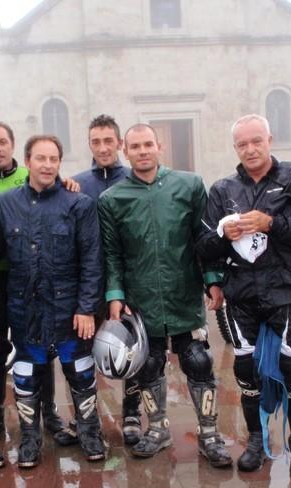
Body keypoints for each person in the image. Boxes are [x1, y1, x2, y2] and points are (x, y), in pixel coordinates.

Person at [196, 114, 291, 479]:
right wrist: (223, 232)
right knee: (245, 372)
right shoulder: (222, 190)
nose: (250, 149)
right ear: (235, 147)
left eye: (257, 141)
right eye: (242, 144)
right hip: (241, 296)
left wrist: (273, 223)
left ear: (270, 139)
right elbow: (203, 248)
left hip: (288, 293)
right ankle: (255, 438)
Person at [98, 124, 231, 467]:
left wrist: (212, 280)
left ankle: (210, 433)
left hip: (183, 289)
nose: (142, 151)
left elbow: (204, 239)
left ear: (159, 146)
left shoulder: (189, 185)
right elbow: (111, 253)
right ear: (125, 152)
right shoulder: (112, 199)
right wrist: (115, 293)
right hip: (141, 297)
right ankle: (157, 428)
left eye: (148, 144)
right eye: (135, 147)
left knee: (198, 361)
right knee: (149, 364)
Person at [0, 135, 105, 467]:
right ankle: (30, 439)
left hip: (69, 310)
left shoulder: (78, 204)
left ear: (60, 162)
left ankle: (90, 432)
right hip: (26, 311)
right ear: (27, 160)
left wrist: (86, 308)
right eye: (40, 158)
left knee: (81, 373)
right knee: (26, 376)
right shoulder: (5, 204)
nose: (47, 165)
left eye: (53, 159)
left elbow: (91, 260)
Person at [0, 121, 74, 445]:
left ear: (14, 145)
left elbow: (56, 192)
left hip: (32, 277)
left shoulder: (32, 175)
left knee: (39, 347)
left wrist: (68, 184)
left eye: (3, 141)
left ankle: (49, 414)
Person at [71, 114, 141, 446]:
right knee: (84, 351)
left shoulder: (134, 179)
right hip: (88, 283)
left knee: (134, 349)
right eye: (96, 142)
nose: (102, 147)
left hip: (129, 281)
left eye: (108, 141)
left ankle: (131, 413)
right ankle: (87, 417)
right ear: (89, 144)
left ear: (119, 144)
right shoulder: (76, 183)